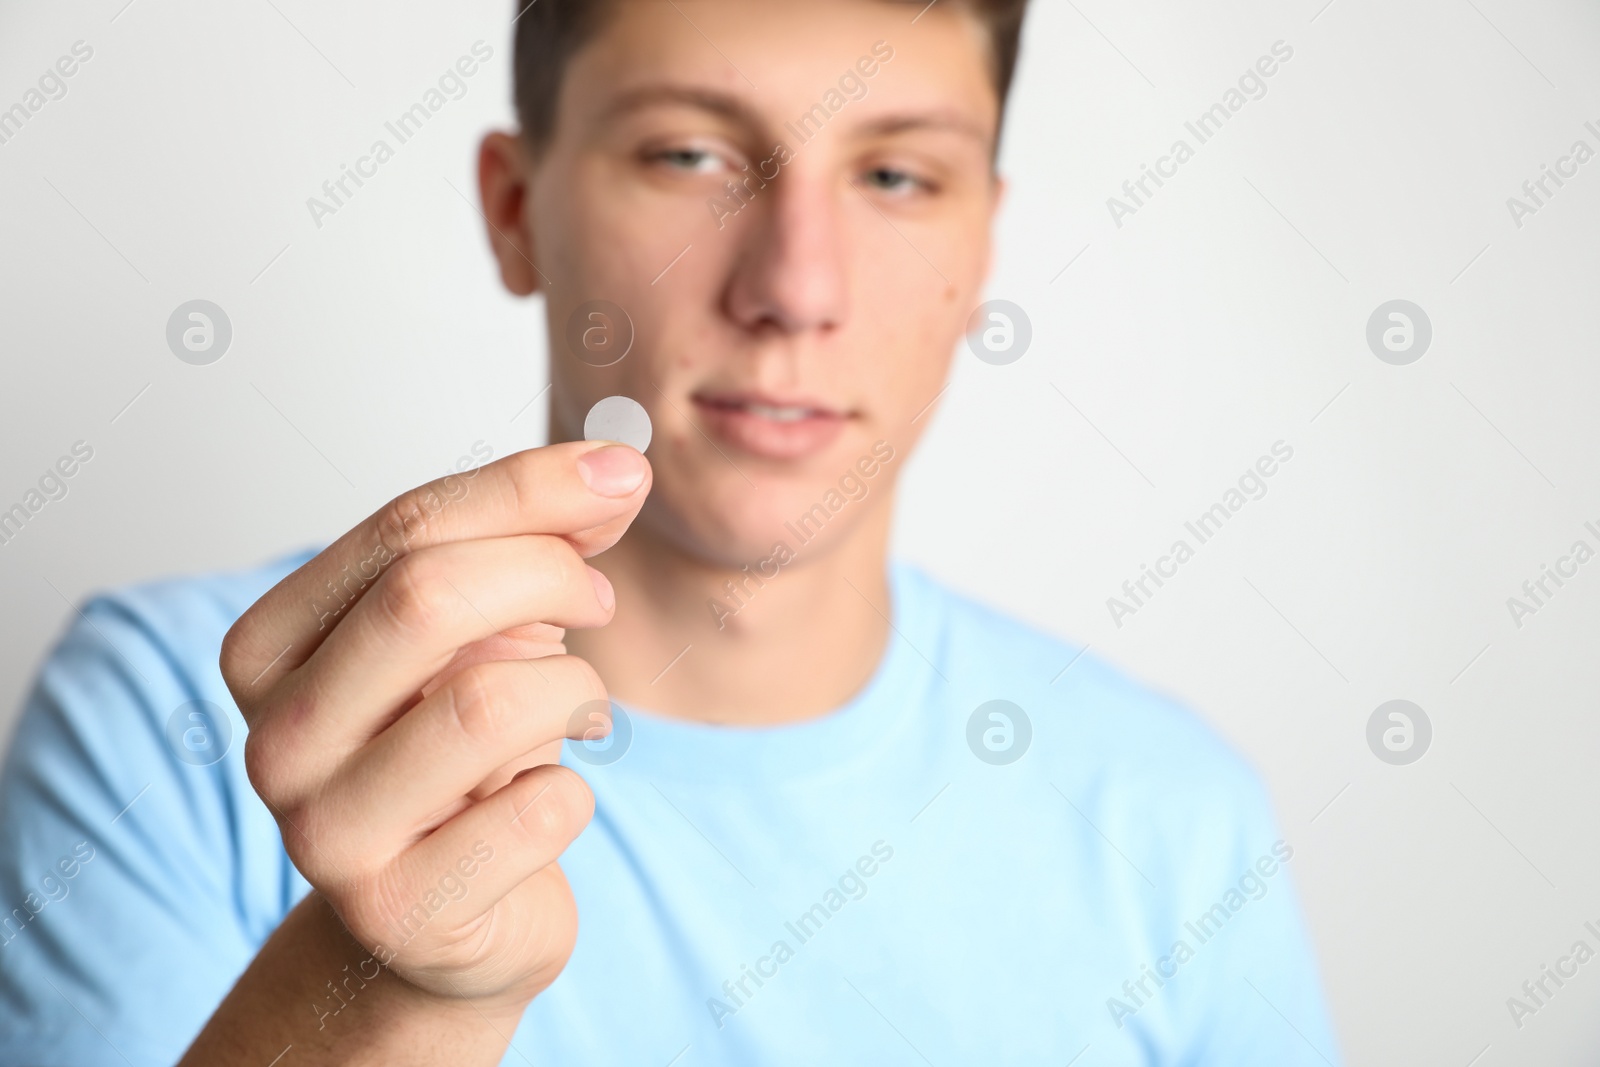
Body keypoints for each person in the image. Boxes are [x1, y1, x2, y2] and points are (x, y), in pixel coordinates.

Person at [0, 1, 1341, 1063]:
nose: (795, 288)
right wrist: (399, 999)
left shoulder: (1172, 818)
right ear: (516, 209)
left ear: (985, 242)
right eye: (690, 155)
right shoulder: (185, 714)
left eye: (895, 173)